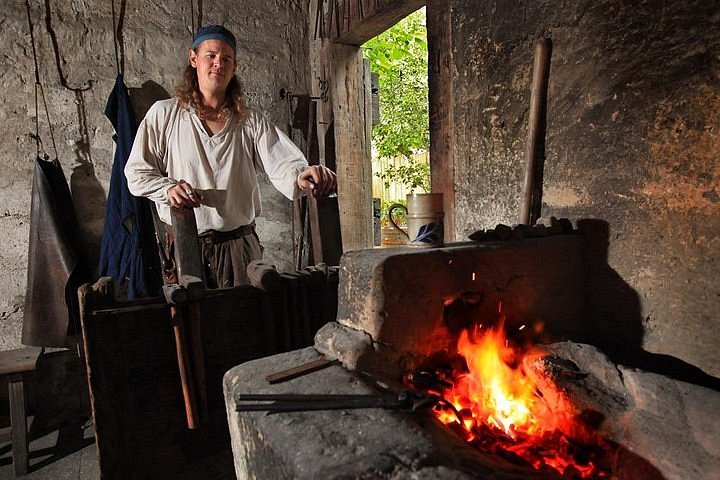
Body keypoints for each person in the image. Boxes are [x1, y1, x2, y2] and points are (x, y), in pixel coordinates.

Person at [125, 25, 336, 288]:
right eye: (210, 56)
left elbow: (285, 163)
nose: (218, 64)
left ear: (234, 66)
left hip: (241, 247)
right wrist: (168, 189)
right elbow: (137, 173)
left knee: (245, 323)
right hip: (186, 244)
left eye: (226, 59)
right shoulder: (165, 115)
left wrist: (303, 175)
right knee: (194, 325)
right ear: (194, 59)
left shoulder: (248, 122)